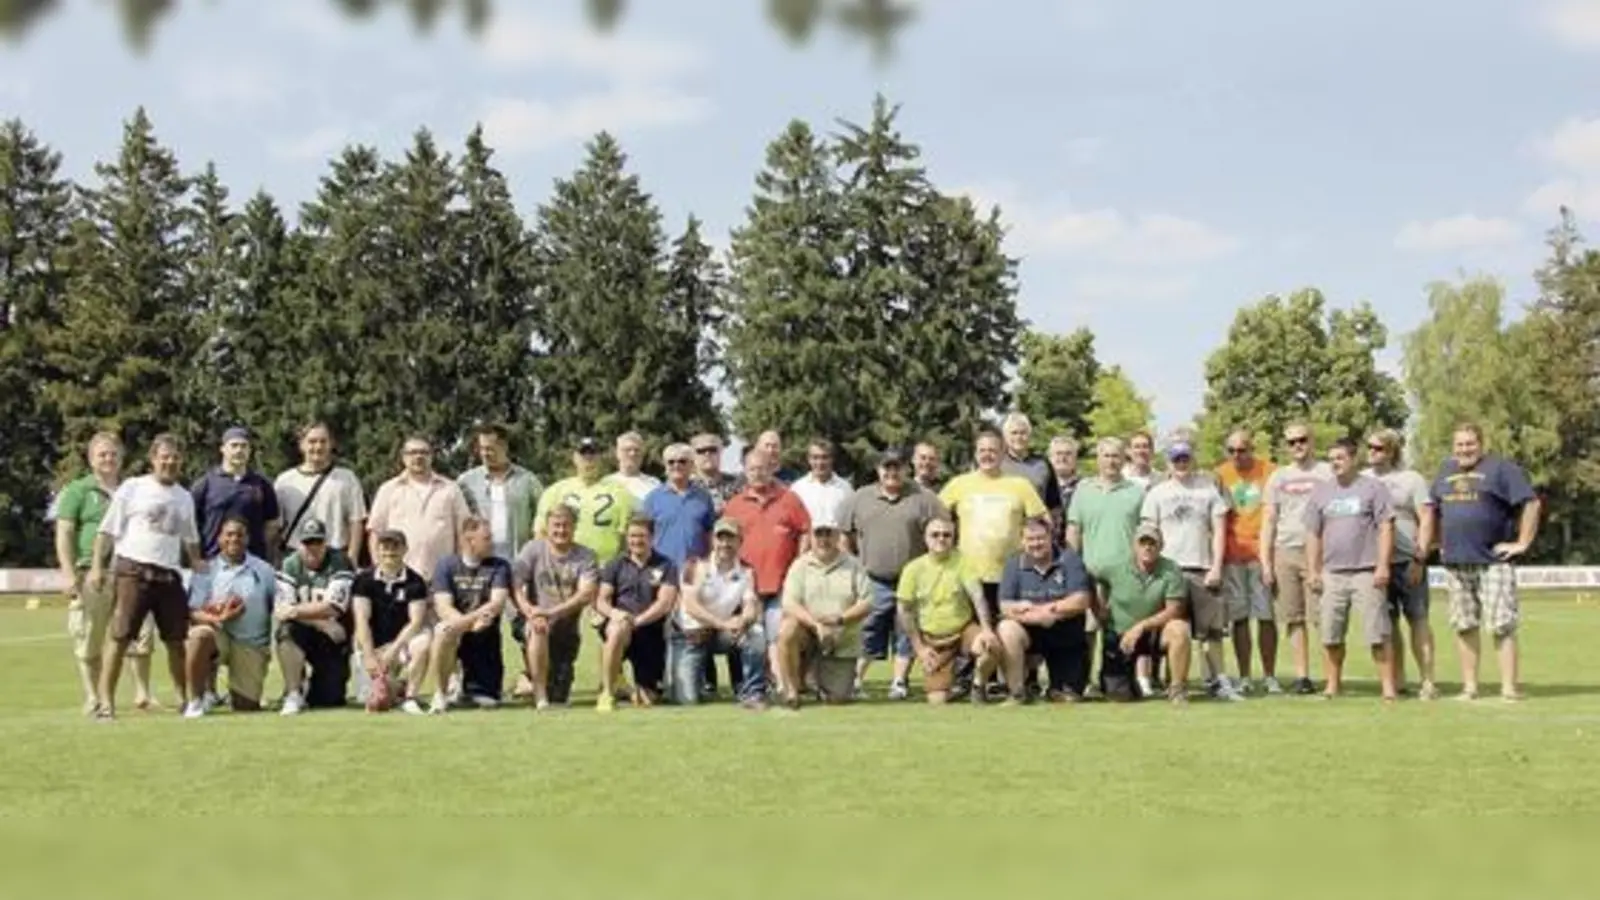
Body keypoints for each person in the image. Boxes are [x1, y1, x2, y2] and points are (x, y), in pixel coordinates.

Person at [87, 433, 208, 722]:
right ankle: (106, 704)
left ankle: (185, 700)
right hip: (133, 571)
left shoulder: (185, 496)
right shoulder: (133, 487)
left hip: (168, 576)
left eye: (175, 457)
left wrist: (197, 563)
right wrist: (96, 567)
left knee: (176, 640)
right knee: (119, 636)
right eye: (164, 456)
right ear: (153, 459)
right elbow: (107, 531)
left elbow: (190, 538)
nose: (170, 462)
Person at [1426, 423, 1540, 702]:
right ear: (1453, 447)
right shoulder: (1444, 471)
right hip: (1456, 562)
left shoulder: (1502, 469)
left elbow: (1532, 503)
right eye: (1460, 444)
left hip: (1493, 561)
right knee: (1464, 625)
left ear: (1481, 444)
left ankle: (1509, 689)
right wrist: (1438, 544)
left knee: (1502, 625)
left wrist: (1522, 543)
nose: (1464, 449)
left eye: (1470, 444)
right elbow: (1434, 510)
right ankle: (1470, 688)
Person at [53, 432, 156, 713]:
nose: (108, 459)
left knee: (141, 634)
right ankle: (93, 696)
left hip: (132, 571)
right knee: (91, 636)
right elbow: (64, 533)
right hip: (92, 572)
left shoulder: (134, 489)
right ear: (91, 459)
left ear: (122, 457)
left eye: (113, 454)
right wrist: (68, 573)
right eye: (102, 454)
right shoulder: (77, 491)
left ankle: (143, 695)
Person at [839, 448, 947, 700]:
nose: (891, 472)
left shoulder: (924, 497)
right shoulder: (860, 498)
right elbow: (844, 534)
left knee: (907, 632)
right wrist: (854, 566)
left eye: (897, 467)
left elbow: (944, 528)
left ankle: (899, 682)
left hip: (912, 580)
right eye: (886, 467)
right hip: (873, 578)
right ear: (878, 470)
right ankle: (855, 681)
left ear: (906, 469)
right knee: (868, 630)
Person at [1139, 438, 1231, 700]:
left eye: (1185, 458)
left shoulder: (1207, 489)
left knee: (1210, 631)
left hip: (1201, 567)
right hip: (1168, 570)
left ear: (1192, 459)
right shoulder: (1157, 493)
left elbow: (1219, 531)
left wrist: (1216, 566)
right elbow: (1148, 532)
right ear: (1168, 462)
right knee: (1171, 628)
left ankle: (1218, 681)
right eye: (1176, 459)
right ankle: (1170, 681)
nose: (1181, 463)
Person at [1304, 438, 1396, 700]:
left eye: (1340, 457)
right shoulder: (1321, 492)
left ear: (1354, 459)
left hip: (1366, 571)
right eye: (1331, 458)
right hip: (1332, 573)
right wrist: (1313, 570)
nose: (1335, 463)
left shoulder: (1373, 489)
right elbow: (1313, 533)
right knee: (1330, 634)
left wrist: (1382, 566)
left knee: (1377, 633)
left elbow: (1386, 528)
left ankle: (1388, 689)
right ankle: (1333, 686)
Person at [722, 447, 811, 695]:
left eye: (762, 468)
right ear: (745, 471)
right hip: (748, 584)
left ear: (772, 468)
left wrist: (799, 562)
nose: (757, 473)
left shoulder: (789, 499)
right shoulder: (735, 505)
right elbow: (724, 541)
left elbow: (805, 530)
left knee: (777, 634)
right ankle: (756, 686)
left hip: (782, 581)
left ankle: (784, 684)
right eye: (752, 469)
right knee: (753, 636)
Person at [1064, 436, 1145, 697]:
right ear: (1097, 459)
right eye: (1106, 455)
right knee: (1087, 632)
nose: (1111, 460)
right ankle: (1084, 682)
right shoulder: (1083, 491)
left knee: (1117, 632)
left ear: (1125, 459)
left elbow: (1143, 534)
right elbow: (1074, 532)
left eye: (1116, 455)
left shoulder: (1135, 492)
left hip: (1125, 577)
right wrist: (1071, 570)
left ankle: (1119, 681)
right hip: (1090, 575)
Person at [1364, 428, 1438, 699]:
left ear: (1392, 450)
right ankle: (1398, 679)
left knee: (1418, 619)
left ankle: (1428, 680)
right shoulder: (1362, 480)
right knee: (1388, 623)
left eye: (1378, 448)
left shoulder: (1411, 479)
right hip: (1375, 563)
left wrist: (1420, 557)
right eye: (1369, 447)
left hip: (1408, 560)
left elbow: (1426, 518)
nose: (1371, 452)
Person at [1260, 423, 1333, 695]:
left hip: (1321, 551)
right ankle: (1302, 676)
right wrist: (1266, 561)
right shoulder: (1279, 477)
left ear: (1311, 441)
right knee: (1294, 618)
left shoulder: (1327, 472)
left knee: (1323, 617)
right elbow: (1269, 520)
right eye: (1291, 442)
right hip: (1285, 551)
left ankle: (1331, 677)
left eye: (1302, 440)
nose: (1297, 446)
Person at [897, 516, 1002, 704]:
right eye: (935, 535)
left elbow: (977, 596)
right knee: (937, 701)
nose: (941, 539)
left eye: (947, 535)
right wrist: (919, 648)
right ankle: (953, 686)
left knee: (990, 646)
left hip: (963, 630)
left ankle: (978, 686)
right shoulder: (913, 569)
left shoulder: (962, 561)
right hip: (933, 639)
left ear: (953, 538)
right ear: (925, 538)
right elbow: (904, 610)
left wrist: (986, 629)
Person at [642, 443, 719, 697]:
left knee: (697, 624)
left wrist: (709, 565)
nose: (677, 466)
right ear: (665, 466)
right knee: (661, 628)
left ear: (691, 465)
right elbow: (644, 536)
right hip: (662, 572)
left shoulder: (703, 497)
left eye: (682, 461)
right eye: (671, 462)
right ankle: (658, 681)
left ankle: (704, 681)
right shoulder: (653, 498)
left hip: (694, 573)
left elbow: (710, 535)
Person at [774, 516, 875, 709]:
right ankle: (792, 691)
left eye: (829, 534)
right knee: (787, 630)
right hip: (808, 633)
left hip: (841, 639)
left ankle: (815, 678)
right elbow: (789, 603)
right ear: (810, 537)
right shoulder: (800, 565)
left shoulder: (854, 565)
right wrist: (816, 625)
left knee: (837, 699)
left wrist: (840, 620)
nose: (823, 539)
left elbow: (867, 602)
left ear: (838, 536)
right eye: (818, 534)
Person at [183, 517, 276, 717]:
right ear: (219, 539)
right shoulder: (206, 570)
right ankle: (197, 699)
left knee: (246, 707)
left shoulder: (264, 570)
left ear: (248, 539)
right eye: (229, 534)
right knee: (199, 635)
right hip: (219, 635)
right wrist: (216, 617)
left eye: (239, 535)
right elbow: (193, 611)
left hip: (251, 643)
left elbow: (276, 607)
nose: (234, 539)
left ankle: (233, 691)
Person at [672, 518, 767, 709]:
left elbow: (750, 603)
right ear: (712, 540)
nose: (725, 544)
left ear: (740, 541)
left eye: (731, 538)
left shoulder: (747, 571)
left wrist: (745, 618)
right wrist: (723, 624)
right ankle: (697, 682)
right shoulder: (694, 566)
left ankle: (753, 693)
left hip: (722, 635)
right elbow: (690, 606)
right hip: (691, 636)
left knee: (755, 633)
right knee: (686, 700)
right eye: (720, 538)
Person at [511, 504, 600, 709]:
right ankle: (539, 696)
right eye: (556, 526)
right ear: (547, 527)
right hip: (534, 619)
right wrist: (531, 612)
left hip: (565, 626)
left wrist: (551, 612)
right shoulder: (532, 549)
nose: (561, 531)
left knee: (559, 696)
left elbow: (585, 595)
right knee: (538, 628)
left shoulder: (585, 556)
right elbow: (515, 585)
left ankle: (527, 679)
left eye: (566, 526)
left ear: (574, 527)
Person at [995, 517, 1093, 701]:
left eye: (1041, 538)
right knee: (1006, 628)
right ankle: (1017, 693)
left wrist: (1049, 610)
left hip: (1065, 634)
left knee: (1068, 699)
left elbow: (1081, 600)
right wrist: (1038, 617)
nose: (1036, 544)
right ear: (1022, 541)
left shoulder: (1069, 559)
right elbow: (1005, 606)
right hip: (1030, 633)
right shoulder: (1013, 565)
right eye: (1030, 539)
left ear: (1051, 537)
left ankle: (1056, 686)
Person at [1215, 430, 1282, 692]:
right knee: (1239, 618)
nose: (1236, 456)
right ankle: (1244, 677)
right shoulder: (1220, 474)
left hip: (1261, 554)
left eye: (1241, 450)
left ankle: (1269, 675)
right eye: (1231, 451)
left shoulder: (1271, 471)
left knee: (1265, 616)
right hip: (1233, 556)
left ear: (1252, 448)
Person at [1098, 524, 1193, 705]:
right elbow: (1090, 578)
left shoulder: (1171, 569)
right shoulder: (1114, 566)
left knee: (1179, 629)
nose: (1147, 547)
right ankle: (1129, 684)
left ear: (1161, 546)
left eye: (1152, 543)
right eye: (1143, 543)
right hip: (1120, 635)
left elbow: (1175, 609)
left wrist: (1141, 626)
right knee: (1119, 696)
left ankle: (1177, 689)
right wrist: (1100, 609)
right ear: (1134, 545)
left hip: (1154, 634)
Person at [593, 514, 680, 712]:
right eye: (632, 536)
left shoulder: (666, 565)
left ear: (652, 537)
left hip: (651, 633)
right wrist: (614, 613)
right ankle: (607, 692)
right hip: (621, 627)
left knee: (648, 699)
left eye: (641, 536)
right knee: (615, 629)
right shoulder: (615, 564)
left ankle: (629, 687)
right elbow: (602, 599)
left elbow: (665, 603)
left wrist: (638, 621)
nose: (636, 541)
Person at [427, 518, 512, 713]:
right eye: (486, 538)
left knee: (487, 701)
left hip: (484, 633)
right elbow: (442, 606)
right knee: (442, 632)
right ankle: (440, 695)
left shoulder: (499, 566)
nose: (492, 543)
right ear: (469, 540)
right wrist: (465, 625)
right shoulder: (446, 565)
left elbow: (496, 603)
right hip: (459, 627)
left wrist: (465, 624)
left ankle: (474, 686)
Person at [272, 519, 356, 715]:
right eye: (307, 543)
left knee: (329, 699)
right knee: (286, 632)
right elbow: (282, 610)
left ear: (325, 543)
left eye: (317, 542)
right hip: (307, 629)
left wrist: (295, 611)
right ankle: (293, 693)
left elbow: (334, 606)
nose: (313, 548)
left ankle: (310, 689)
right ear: (299, 544)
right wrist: (321, 623)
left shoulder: (340, 561)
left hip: (332, 638)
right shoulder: (289, 563)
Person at [367, 434, 474, 581]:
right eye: (413, 452)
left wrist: (461, 570)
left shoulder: (450, 489)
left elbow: (464, 532)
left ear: (432, 456)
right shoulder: (388, 490)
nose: (418, 457)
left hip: (442, 578)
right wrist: (379, 567)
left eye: (424, 452)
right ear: (403, 457)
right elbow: (376, 532)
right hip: (397, 578)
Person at [349, 529, 432, 715]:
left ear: (405, 549)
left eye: (395, 547)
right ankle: (399, 688)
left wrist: (394, 650)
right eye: (384, 547)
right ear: (377, 549)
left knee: (423, 642)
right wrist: (370, 655)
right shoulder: (363, 580)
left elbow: (416, 621)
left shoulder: (415, 582)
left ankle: (410, 697)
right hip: (373, 645)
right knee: (374, 700)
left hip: (402, 645)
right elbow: (361, 620)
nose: (389, 552)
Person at [534, 436, 637, 567]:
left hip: (606, 568)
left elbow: (626, 537)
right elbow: (541, 533)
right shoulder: (555, 491)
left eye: (593, 455)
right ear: (575, 458)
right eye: (584, 455)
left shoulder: (620, 493)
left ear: (601, 459)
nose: (589, 460)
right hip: (563, 567)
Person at [274, 421, 367, 560]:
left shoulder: (347, 478)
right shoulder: (285, 481)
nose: (318, 447)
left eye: (323, 441)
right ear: (302, 445)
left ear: (331, 444)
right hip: (296, 556)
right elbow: (276, 526)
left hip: (335, 555)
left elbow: (356, 521)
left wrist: (352, 558)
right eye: (312, 441)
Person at [191, 426, 280, 562]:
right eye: (234, 446)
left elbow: (271, 525)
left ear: (250, 450)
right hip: (213, 562)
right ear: (223, 449)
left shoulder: (262, 485)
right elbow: (191, 525)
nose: (239, 450)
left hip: (251, 564)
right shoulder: (205, 484)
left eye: (244, 446)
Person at [457, 423, 543, 563]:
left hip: (519, 561)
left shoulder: (528, 481)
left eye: (489, 449)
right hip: (480, 563)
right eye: (481, 448)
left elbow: (541, 520)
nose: (484, 453)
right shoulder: (466, 482)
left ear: (504, 446)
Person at [1000, 413, 1063, 519]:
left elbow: (1054, 504)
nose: (1019, 437)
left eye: (1023, 433)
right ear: (1005, 436)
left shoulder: (1042, 464)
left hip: (1036, 529)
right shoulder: (998, 464)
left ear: (1029, 435)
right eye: (1014, 433)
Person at [790, 438, 854, 527]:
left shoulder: (845, 488)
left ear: (832, 459)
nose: (820, 463)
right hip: (809, 539)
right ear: (809, 459)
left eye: (825, 457)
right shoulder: (797, 489)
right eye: (815, 457)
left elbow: (851, 522)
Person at [689, 432, 740, 515]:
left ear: (721, 451)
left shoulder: (737, 484)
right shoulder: (686, 487)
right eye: (701, 451)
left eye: (712, 449)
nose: (707, 454)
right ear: (692, 456)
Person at [608, 431, 661, 501]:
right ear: (618, 454)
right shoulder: (607, 483)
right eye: (627, 450)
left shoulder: (654, 484)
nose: (632, 454)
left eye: (637, 450)